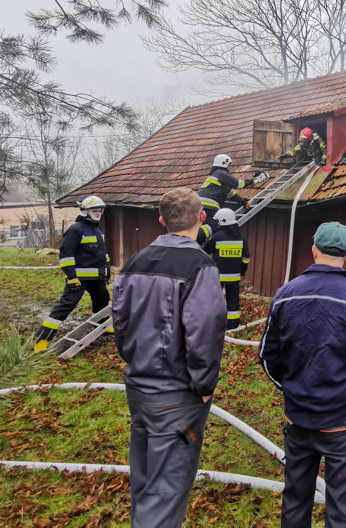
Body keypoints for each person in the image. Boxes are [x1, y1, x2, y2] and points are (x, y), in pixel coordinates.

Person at [259, 221, 346, 527]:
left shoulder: (284, 294)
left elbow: (267, 355)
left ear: (314, 250)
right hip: (343, 425)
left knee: (295, 500)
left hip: (299, 419)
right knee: (343, 510)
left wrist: (291, 388)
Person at [112, 187, 226, 528]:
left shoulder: (134, 262)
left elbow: (120, 323)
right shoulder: (199, 266)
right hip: (175, 395)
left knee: (145, 477)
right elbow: (205, 330)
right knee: (167, 488)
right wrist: (205, 384)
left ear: (161, 220)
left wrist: (136, 360)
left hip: (138, 387)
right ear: (201, 218)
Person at [33, 196, 110, 352]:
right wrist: (71, 276)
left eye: (100, 210)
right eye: (95, 210)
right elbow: (66, 255)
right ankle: (42, 340)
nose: (98, 213)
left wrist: (106, 273)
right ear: (86, 211)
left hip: (97, 278)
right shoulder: (76, 230)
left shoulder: (97, 229)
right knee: (66, 306)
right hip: (79, 279)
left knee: (102, 299)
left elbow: (103, 255)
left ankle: (102, 326)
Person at [196, 154, 267, 244]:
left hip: (200, 204)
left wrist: (243, 202)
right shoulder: (221, 173)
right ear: (224, 163)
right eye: (229, 164)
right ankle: (195, 238)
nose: (229, 167)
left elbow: (230, 194)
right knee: (214, 225)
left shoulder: (218, 175)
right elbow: (238, 184)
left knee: (204, 225)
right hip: (208, 205)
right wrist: (254, 181)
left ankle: (197, 241)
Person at [203, 208, 250, 330]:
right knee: (233, 300)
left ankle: (214, 323)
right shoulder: (242, 238)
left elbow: (205, 250)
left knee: (215, 299)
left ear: (222, 222)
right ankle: (233, 325)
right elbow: (246, 258)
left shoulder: (217, 237)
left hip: (218, 276)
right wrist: (242, 271)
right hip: (234, 276)